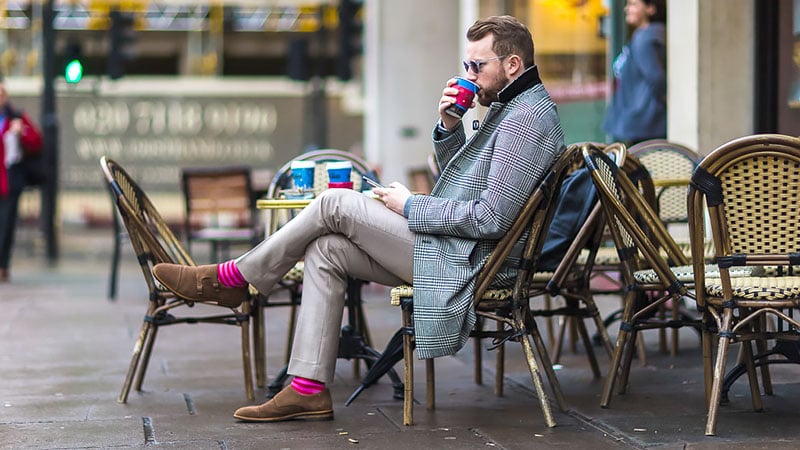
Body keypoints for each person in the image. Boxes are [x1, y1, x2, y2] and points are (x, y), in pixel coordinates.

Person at [152, 15, 565, 422]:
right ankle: (307, 390)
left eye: (478, 66)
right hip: (458, 250)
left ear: (512, 65)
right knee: (327, 247)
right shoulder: (515, 106)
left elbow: (490, 218)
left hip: (475, 263)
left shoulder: (526, 118)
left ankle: (230, 280)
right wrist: (449, 126)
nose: (470, 76)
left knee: (335, 204)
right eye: (466, 66)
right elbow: (466, 186)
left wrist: (410, 206)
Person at [602, 0, 667, 145]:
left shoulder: (645, 38)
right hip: (643, 119)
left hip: (644, 120)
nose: (626, 9)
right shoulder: (646, 35)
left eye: (633, 4)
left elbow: (657, 78)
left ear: (650, 9)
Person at [0, 81, 43, 283]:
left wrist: (22, 132)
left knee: (6, 224)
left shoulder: (16, 118)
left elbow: (36, 141)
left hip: (9, 180)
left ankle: (3, 265)